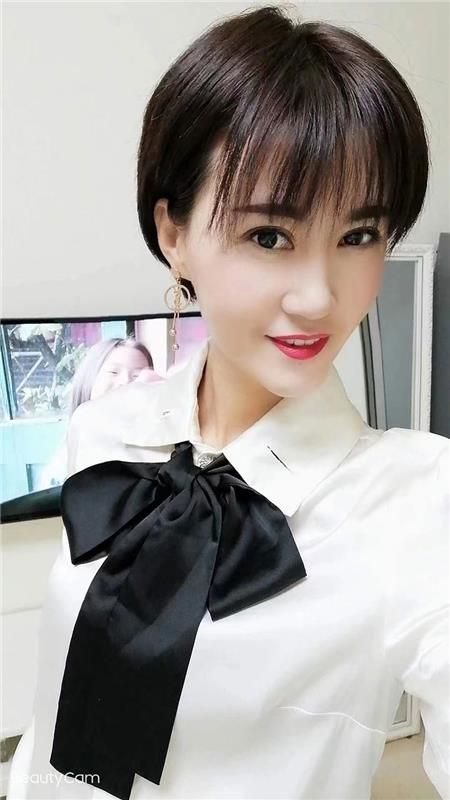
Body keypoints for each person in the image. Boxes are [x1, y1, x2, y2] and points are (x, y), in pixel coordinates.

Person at [7, 5, 449, 800]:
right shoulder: (103, 432)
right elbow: (57, 698)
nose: (318, 297)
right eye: (270, 236)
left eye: (358, 235)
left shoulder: (416, 502)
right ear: (173, 233)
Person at [35, 337, 156, 489]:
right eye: (113, 372)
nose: (125, 381)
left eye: (137, 376)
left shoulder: (162, 446)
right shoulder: (62, 465)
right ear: (90, 378)